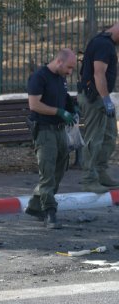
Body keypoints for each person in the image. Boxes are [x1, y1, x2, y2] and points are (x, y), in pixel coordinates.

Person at [24, 49, 78, 229]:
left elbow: (62, 96)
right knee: (47, 173)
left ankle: (34, 206)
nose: (70, 72)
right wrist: (59, 112)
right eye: (69, 67)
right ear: (59, 62)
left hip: (60, 130)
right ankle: (50, 213)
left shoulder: (60, 78)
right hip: (45, 131)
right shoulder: (39, 77)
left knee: (59, 169)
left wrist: (71, 107)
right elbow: (34, 105)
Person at [76, 22, 119, 193]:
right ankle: (89, 179)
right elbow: (98, 73)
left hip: (100, 97)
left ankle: (101, 173)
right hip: (94, 97)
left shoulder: (107, 44)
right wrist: (106, 99)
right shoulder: (102, 44)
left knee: (109, 136)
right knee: (94, 139)